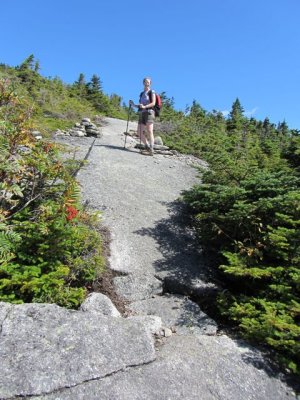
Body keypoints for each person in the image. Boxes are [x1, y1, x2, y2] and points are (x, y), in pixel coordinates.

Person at [129, 77, 156, 156]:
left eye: (148, 82)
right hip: (142, 113)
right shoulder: (142, 93)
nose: (146, 83)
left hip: (149, 112)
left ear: (150, 83)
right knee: (139, 132)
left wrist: (145, 106)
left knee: (150, 130)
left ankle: (151, 149)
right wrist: (133, 105)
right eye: (145, 82)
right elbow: (141, 105)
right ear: (143, 83)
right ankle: (147, 146)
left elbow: (153, 103)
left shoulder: (152, 92)